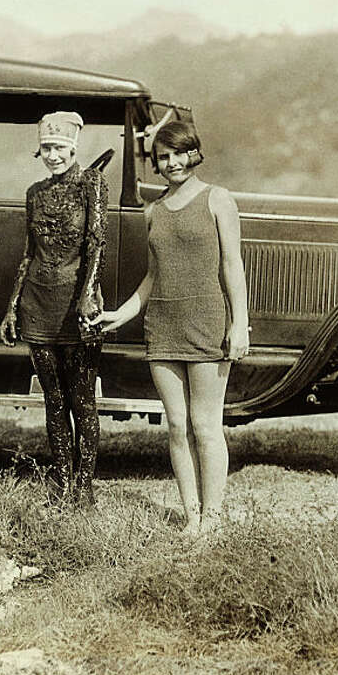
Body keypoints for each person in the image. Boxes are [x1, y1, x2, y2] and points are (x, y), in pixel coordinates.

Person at [95, 119, 248, 534]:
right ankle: (191, 518)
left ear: (193, 152)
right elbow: (152, 278)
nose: (172, 162)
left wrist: (241, 324)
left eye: (179, 153)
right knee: (177, 427)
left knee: (205, 426)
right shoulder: (154, 211)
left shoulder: (219, 200)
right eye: (163, 157)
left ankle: (213, 520)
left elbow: (232, 264)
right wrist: (120, 314)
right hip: (162, 326)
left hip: (206, 323)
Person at [0, 111, 108, 507]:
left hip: (79, 304)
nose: (53, 155)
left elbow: (96, 241)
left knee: (82, 399)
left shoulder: (92, 183)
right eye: (46, 148)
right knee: (53, 399)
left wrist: (87, 293)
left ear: (74, 147)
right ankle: (62, 482)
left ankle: (85, 486)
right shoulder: (35, 193)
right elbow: (29, 252)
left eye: (59, 148)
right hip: (38, 303)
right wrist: (12, 307)